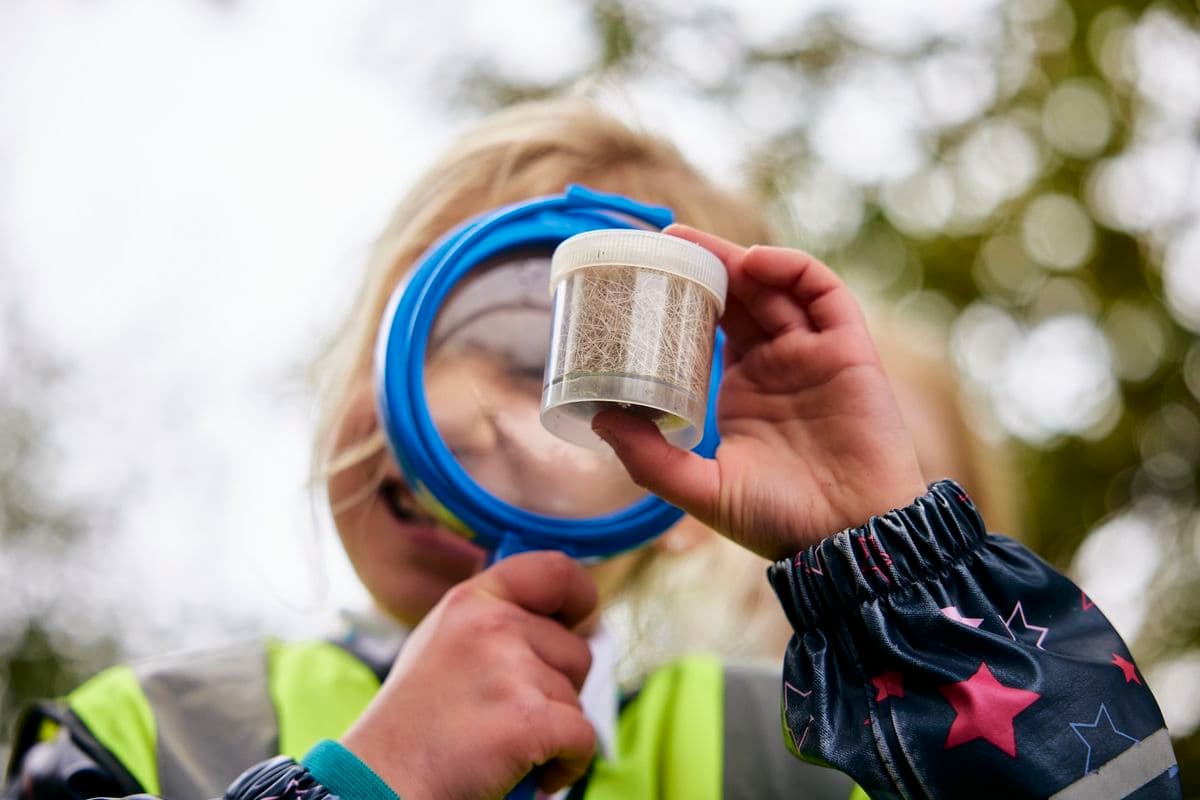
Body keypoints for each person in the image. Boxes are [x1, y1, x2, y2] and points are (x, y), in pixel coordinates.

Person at [3, 98, 1181, 800]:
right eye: (425, 336)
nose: (466, 410)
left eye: (549, 376)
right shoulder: (146, 734)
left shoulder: (791, 761)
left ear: (688, 487)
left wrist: (901, 569)